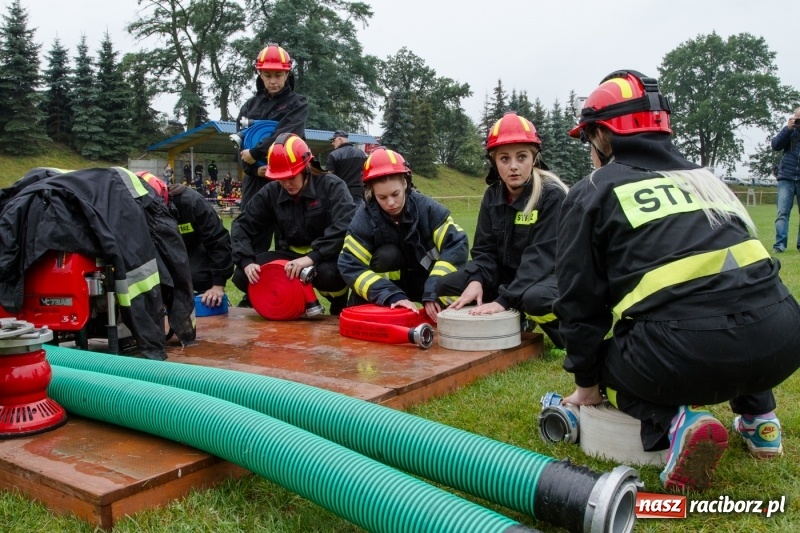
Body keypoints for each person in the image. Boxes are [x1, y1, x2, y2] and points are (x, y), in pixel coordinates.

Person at [557, 70, 800, 491]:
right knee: (733, 307)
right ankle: (760, 421)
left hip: (689, 353)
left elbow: (580, 302)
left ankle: (678, 423)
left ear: (601, 136)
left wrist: (586, 386)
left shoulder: (593, 190)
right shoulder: (708, 181)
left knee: (606, 362)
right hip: (782, 339)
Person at [436, 112, 568, 346]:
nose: (513, 166)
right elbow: (484, 251)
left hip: (551, 277)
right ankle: (517, 319)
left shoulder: (551, 195)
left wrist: (504, 300)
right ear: (494, 162)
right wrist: (476, 279)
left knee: (535, 298)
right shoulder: (492, 196)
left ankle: (566, 337)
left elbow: (541, 258)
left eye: (522, 157)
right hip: (510, 277)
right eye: (504, 159)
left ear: (534, 158)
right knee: (446, 286)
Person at [231, 133, 356, 315]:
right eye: (280, 178)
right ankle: (293, 302)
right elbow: (242, 224)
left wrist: (312, 257)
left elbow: (345, 224)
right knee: (242, 276)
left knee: (330, 274)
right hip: (289, 256)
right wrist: (246, 261)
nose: (286, 184)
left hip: (325, 256)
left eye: (291, 177)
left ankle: (338, 300)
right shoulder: (271, 192)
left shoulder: (331, 186)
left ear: (306, 168)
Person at [338, 147, 468, 321]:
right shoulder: (364, 219)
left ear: (405, 183)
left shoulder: (427, 209)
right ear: (372, 192)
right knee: (387, 255)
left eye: (395, 194)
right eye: (382, 197)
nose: (391, 203)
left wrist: (433, 291)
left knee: (463, 294)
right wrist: (390, 295)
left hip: (427, 280)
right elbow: (350, 265)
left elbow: (457, 244)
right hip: (386, 287)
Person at [138, 172, 233, 308]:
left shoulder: (192, 202)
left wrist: (218, 285)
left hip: (195, 248)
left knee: (196, 276)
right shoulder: (137, 211)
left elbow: (218, 240)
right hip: (164, 251)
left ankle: (209, 293)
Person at [237, 43, 309, 208]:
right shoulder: (249, 106)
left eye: (278, 75)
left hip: (288, 177)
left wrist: (256, 152)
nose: (273, 81)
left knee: (291, 222)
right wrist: (254, 170)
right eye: (267, 75)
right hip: (255, 181)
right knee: (249, 221)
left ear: (287, 73)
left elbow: (287, 134)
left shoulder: (298, 103)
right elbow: (240, 143)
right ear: (260, 74)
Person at [771, 107, 800, 253]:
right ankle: (780, 245)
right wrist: (788, 129)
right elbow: (775, 145)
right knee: (782, 213)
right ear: (794, 118)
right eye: (798, 118)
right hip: (786, 177)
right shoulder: (789, 131)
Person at [326, 130, 368, 204]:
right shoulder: (361, 153)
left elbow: (329, 178)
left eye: (333, 140)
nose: (332, 143)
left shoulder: (333, 155)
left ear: (340, 139)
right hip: (359, 193)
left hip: (341, 194)